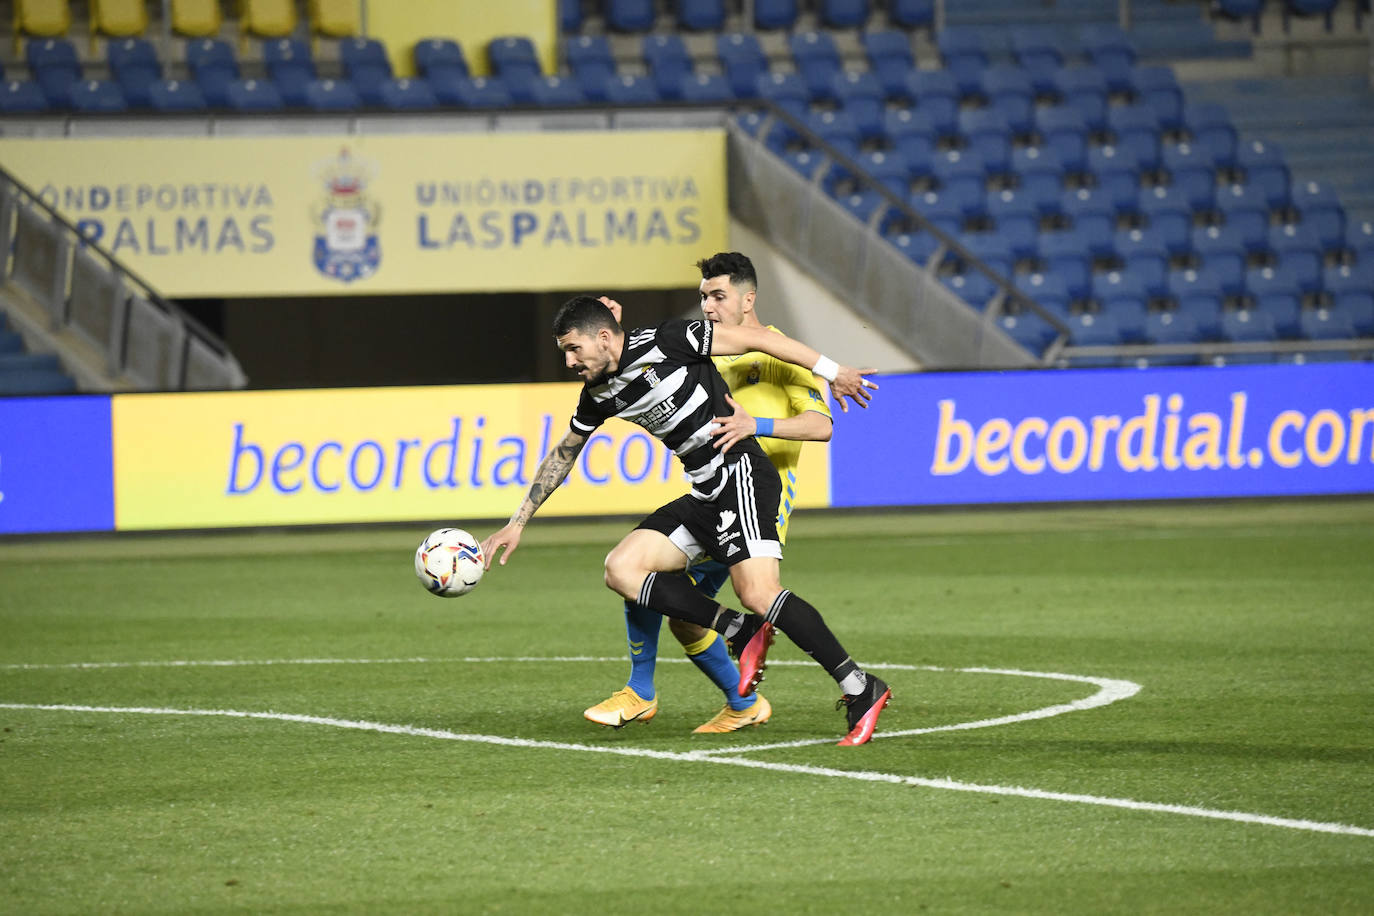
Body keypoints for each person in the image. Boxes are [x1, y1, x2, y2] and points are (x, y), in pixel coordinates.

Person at [480, 295, 892, 746]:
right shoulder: (598, 392)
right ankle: (740, 630)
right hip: (705, 493)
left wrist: (837, 372)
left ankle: (859, 687)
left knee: (757, 592)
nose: (568, 360)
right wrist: (517, 521)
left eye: (573, 348)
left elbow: (757, 340)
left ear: (602, 337)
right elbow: (565, 452)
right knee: (622, 568)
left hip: (741, 476)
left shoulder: (669, 339)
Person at [582, 252, 835, 734]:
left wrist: (754, 425)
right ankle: (742, 703)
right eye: (703, 297)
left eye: (718, 296)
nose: (708, 307)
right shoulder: (711, 346)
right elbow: (651, 361)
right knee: (667, 598)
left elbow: (821, 426)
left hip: (759, 502)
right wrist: (610, 333)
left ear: (748, 298)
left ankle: (644, 690)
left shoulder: (778, 353)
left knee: (654, 581)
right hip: (716, 493)